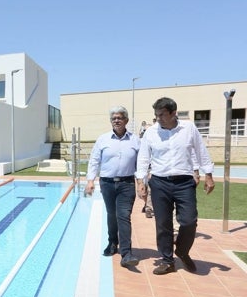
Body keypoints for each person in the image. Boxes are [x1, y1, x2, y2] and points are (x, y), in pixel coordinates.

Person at [135, 97, 215, 275]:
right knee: (163, 223)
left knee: (189, 221)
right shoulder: (151, 132)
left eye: (162, 115)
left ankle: (182, 251)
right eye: (156, 115)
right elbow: (143, 158)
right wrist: (141, 182)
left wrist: (208, 175)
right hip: (159, 182)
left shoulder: (189, 128)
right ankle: (167, 260)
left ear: (173, 113)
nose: (158, 119)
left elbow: (201, 151)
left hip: (184, 182)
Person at [85, 105, 140, 268]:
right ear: (111, 121)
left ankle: (126, 253)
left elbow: (141, 163)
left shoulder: (135, 140)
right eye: (114, 118)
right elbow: (94, 160)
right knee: (112, 214)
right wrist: (90, 181)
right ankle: (112, 242)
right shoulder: (103, 139)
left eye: (120, 118)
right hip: (107, 183)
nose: (116, 120)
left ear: (126, 120)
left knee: (123, 215)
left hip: (127, 183)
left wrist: (142, 182)